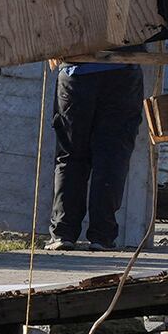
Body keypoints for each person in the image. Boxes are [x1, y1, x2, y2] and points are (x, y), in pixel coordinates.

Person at [47, 60, 143, 251]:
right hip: (122, 72)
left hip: (76, 73)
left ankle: (63, 233)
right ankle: (102, 236)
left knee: (71, 157)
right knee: (112, 157)